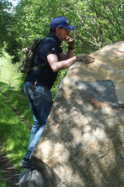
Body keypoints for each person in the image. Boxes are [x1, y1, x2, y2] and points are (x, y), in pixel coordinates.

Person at [20, 16, 94, 169]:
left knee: (39, 123)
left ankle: (27, 159)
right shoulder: (49, 42)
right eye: (66, 29)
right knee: (47, 124)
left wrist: (71, 47)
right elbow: (55, 66)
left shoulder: (52, 43)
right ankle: (28, 158)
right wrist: (77, 59)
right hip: (38, 86)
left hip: (31, 85)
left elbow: (65, 60)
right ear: (58, 30)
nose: (68, 32)